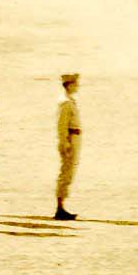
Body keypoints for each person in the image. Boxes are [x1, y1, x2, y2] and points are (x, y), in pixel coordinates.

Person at [55, 73, 82, 221]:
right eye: (76, 84)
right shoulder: (65, 103)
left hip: (74, 138)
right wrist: (64, 142)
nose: (78, 86)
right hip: (70, 139)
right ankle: (60, 207)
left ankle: (62, 206)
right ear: (70, 85)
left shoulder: (70, 101)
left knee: (69, 171)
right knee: (65, 172)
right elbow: (61, 125)